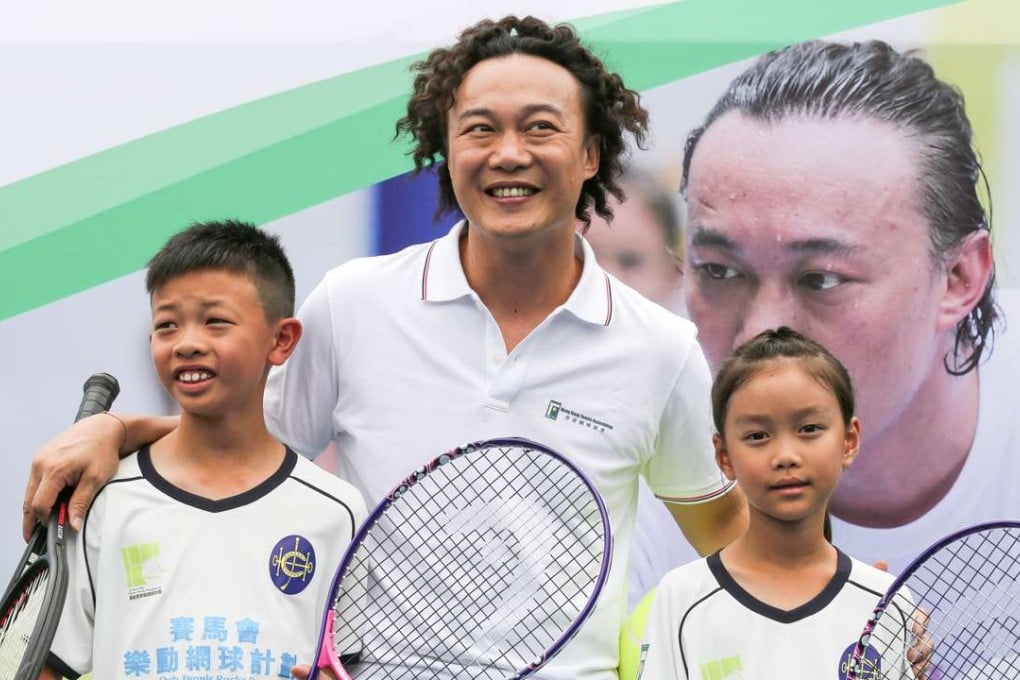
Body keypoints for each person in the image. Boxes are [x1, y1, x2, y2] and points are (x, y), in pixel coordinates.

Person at [24, 17, 747, 680]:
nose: (508, 154)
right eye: (480, 129)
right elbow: (241, 452)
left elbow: (732, 546)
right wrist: (117, 429)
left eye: (540, 128)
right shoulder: (355, 304)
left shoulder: (661, 348)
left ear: (591, 154)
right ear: (446, 145)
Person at [679, 39, 1014, 571]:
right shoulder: (643, 453)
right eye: (720, 271)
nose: (761, 333)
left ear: (958, 278)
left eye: (822, 279)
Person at [38, 221, 367, 679]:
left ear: (282, 339)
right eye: (167, 325)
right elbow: (48, 666)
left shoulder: (337, 509)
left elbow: (344, 666)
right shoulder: (99, 500)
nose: (188, 343)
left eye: (216, 321)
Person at [638, 327, 924, 679]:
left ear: (848, 441)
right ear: (724, 455)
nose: (786, 456)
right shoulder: (681, 598)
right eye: (758, 436)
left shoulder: (885, 604)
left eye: (809, 429)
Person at [581, 171, 696, 611]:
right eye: (585, 256)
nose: (605, 280)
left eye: (630, 260)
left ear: (674, 268)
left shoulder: (719, 417)